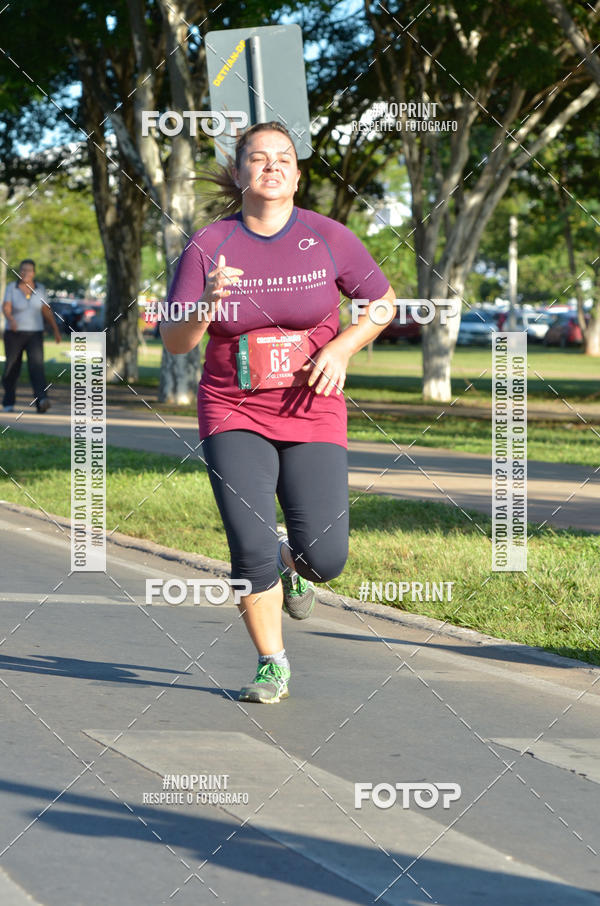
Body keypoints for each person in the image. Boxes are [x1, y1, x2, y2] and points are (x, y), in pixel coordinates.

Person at [161, 121, 396, 704]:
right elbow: (175, 342)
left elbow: (383, 304)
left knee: (327, 557)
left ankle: (292, 564)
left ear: (297, 173)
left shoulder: (328, 237)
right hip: (232, 410)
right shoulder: (208, 245)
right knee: (250, 543)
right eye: (258, 158)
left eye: (283, 159)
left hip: (313, 409)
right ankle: (272, 662)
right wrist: (207, 306)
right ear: (239, 173)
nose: (271, 166)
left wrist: (342, 347)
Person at [2, 259, 61, 412]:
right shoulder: (12, 288)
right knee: (12, 367)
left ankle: (41, 401)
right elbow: (6, 307)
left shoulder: (40, 288)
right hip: (14, 333)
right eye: (22, 270)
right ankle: (8, 401)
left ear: (33, 273)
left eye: (28, 270)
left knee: (37, 367)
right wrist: (11, 319)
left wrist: (55, 329)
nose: (25, 273)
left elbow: (46, 310)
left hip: (34, 333)